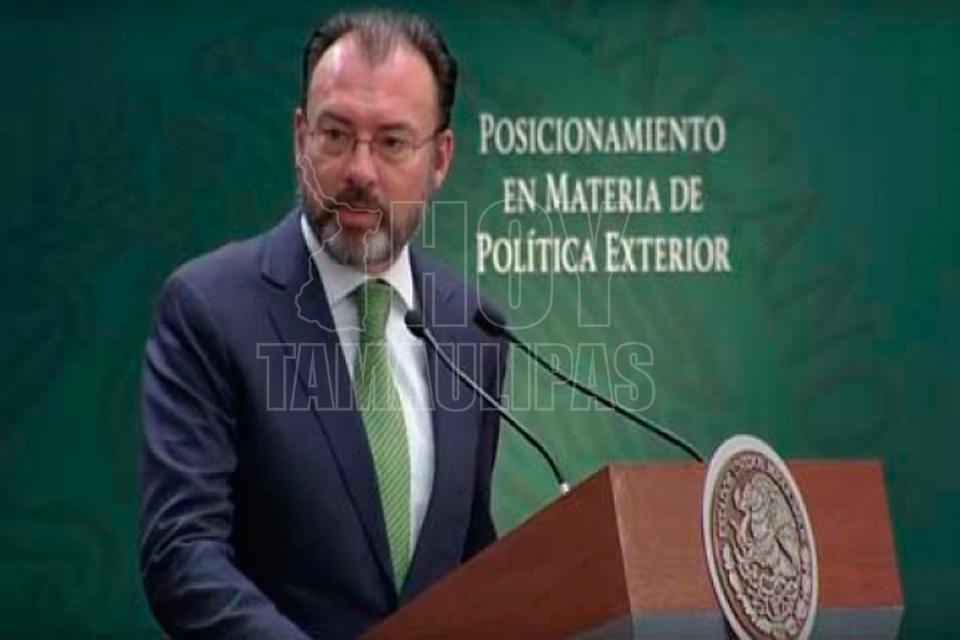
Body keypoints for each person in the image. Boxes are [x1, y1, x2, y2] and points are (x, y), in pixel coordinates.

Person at [139, 10, 506, 639]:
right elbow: (181, 554)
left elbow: (469, 557)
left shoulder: (473, 328)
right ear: (300, 137)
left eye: (392, 142)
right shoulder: (209, 310)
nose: (359, 171)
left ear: (440, 158)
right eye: (336, 135)